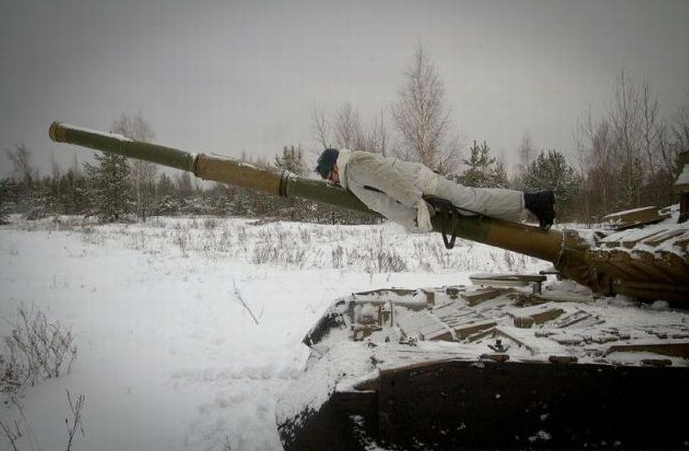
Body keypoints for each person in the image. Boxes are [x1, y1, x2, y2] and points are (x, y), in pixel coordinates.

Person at [315, 148, 555, 232]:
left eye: (330, 176)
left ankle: (536, 201)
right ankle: (529, 206)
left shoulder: (355, 166)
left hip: (423, 188)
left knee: (471, 202)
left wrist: (417, 202)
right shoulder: (353, 172)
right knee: (471, 206)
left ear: (336, 166)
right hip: (422, 188)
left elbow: (389, 180)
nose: (332, 182)